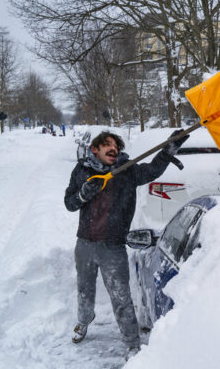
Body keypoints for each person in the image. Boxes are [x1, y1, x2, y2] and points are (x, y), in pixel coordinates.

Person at [64, 130, 188, 354]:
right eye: (107, 145)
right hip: (84, 244)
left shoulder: (127, 171)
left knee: (121, 296)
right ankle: (84, 321)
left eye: (116, 147)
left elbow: (152, 170)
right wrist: (84, 194)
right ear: (95, 149)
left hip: (113, 246)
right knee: (84, 289)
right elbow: (69, 203)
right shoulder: (82, 170)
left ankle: (132, 342)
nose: (113, 149)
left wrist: (170, 148)